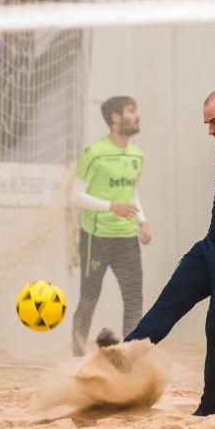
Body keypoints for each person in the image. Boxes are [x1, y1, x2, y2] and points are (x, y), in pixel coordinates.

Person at [97, 88, 215, 417]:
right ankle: (121, 358)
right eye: (207, 123)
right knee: (169, 303)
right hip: (212, 245)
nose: (210, 130)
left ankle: (210, 405)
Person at [69, 96, 152, 356]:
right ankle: (78, 357)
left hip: (127, 238)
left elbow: (131, 194)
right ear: (115, 117)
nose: (137, 116)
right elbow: (75, 195)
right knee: (89, 297)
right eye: (131, 111)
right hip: (96, 237)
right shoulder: (94, 153)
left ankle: (129, 358)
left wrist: (142, 221)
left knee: (134, 298)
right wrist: (110, 207)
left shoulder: (136, 153)